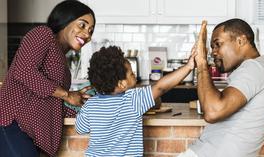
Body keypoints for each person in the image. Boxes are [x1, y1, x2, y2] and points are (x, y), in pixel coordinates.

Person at [178, 19, 264, 157]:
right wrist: (257, 110)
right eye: (212, 47)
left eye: (218, 44)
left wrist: (202, 63)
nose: (213, 52)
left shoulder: (252, 68)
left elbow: (212, 112)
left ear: (241, 41)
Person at [0, 0, 95, 156]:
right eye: (82, 25)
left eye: (91, 31)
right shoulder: (43, 34)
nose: (87, 35)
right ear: (66, 19)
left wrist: (85, 110)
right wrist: (67, 95)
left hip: (28, 134)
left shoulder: (63, 65)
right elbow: (24, 71)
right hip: (11, 124)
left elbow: (53, 104)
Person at [75, 46, 196, 156]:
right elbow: (160, 87)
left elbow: (80, 129)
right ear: (122, 84)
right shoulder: (133, 99)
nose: (135, 74)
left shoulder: (90, 105)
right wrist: (188, 66)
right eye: (131, 73)